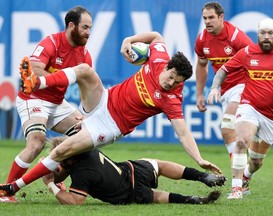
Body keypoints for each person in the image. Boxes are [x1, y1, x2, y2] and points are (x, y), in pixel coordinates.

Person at [0, 31, 224, 198]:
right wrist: (127, 41)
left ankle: (14, 187)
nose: (171, 82)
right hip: (104, 100)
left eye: (177, 81)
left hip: (110, 126)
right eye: (171, 76)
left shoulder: (172, 99)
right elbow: (156, 37)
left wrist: (199, 159)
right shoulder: (157, 58)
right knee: (85, 71)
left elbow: (183, 134)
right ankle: (37, 82)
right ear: (167, 67)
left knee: (62, 150)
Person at [0, 6, 93, 203]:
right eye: (85, 27)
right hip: (33, 98)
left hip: (58, 103)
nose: (88, 33)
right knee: (37, 142)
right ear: (71, 26)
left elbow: (87, 87)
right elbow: (33, 70)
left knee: (84, 136)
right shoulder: (51, 42)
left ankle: (55, 176)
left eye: (90, 28)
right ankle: (6, 192)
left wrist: (85, 113)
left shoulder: (84, 55)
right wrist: (60, 79)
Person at [207, 18, 273, 199]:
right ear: (257, 34)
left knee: (256, 161)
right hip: (249, 106)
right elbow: (223, 70)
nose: (266, 37)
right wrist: (215, 87)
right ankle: (236, 189)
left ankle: (247, 176)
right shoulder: (248, 52)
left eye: (270, 33)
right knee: (242, 140)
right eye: (262, 33)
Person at [40, 137, 226, 205]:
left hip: (129, 194)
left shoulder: (82, 174)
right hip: (132, 170)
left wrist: (50, 184)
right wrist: (56, 172)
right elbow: (65, 170)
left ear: (68, 160)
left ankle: (192, 200)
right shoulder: (87, 149)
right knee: (157, 164)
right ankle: (203, 176)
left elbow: (76, 201)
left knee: (157, 197)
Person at [194, 2, 254, 159]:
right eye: (205, 18)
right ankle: (243, 175)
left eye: (211, 17)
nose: (207, 21)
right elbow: (202, 65)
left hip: (243, 87)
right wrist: (199, 94)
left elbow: (257, 61)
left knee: (227, 128)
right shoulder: (202, 39)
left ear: (221, 17)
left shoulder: (236, 37)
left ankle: (239, 177)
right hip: (225, 91)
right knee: (232, 135)